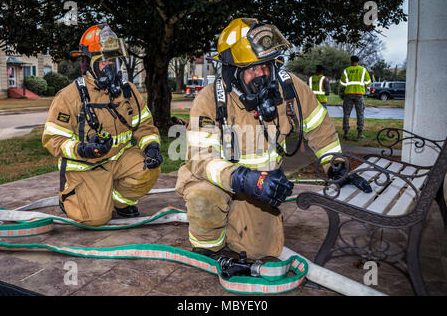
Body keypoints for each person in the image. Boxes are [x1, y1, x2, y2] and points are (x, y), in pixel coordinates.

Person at [175, 18, 371, 260]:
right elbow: (202, 159)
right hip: (219, 183)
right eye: (253, 69)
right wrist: (242, 178)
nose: (263, 75)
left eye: (267, 66)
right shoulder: (209, 100)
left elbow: (319, 127)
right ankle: (208, 248)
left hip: (259, 188)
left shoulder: (289, 89)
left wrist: (335, 165)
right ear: (232, 71)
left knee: (260, 251)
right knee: (204, 199)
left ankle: (235, 218)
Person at [42, 24, 163, 226]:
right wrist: (83, 148)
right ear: (88, 63)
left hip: (120, 159)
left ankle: (119, 202)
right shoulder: (69, 96)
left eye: (113, 60)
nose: (110, 66)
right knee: (96, 219)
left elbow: (145, 126)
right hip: (89, 166)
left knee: (149, 168)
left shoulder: (128, 91)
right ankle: (71, 199)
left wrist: (151, 147)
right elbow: (53, 139)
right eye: (104, 61)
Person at [340, 55, 372, 140]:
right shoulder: (363, 70)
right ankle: (360, 133)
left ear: (351, 61)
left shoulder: (346, 70)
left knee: (346, 114)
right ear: (358, 61)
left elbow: (342, 84)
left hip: (349, 94)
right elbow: (368, 83)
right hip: (359, 94)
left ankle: (346, 133)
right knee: (360, 114)